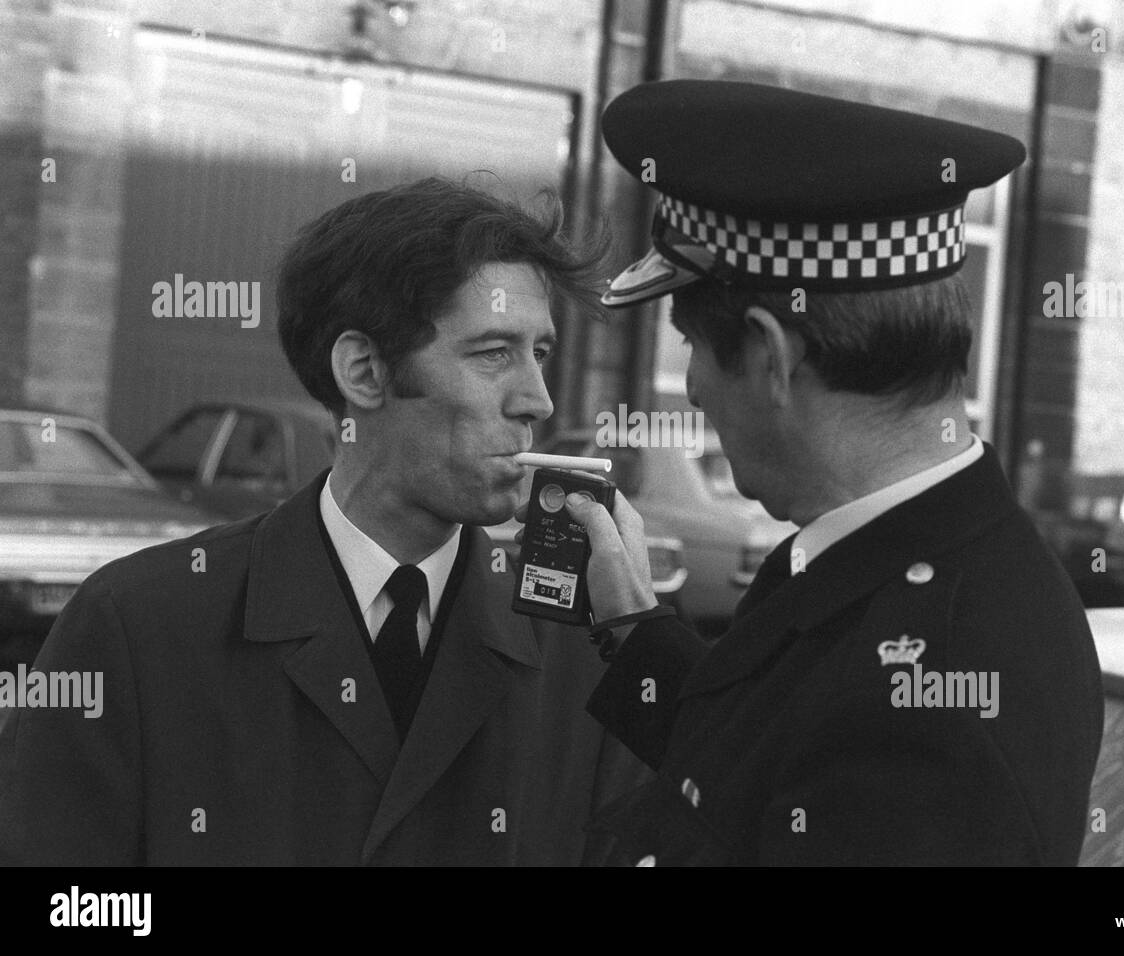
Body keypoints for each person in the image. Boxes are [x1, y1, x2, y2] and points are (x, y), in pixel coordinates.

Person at [0, 177, 646, 865]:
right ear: (364, 372)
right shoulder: (136, 624)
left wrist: (643, 639)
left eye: (540, 352)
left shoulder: (580, 650)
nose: (538, 400)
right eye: (494, 354)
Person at [562, 80, 1105, 865]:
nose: (691, 387)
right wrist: (629, 624)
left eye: (691, 345)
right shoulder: (893, 563)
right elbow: (767, 753)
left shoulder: (936, 696)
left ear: (769, 356)